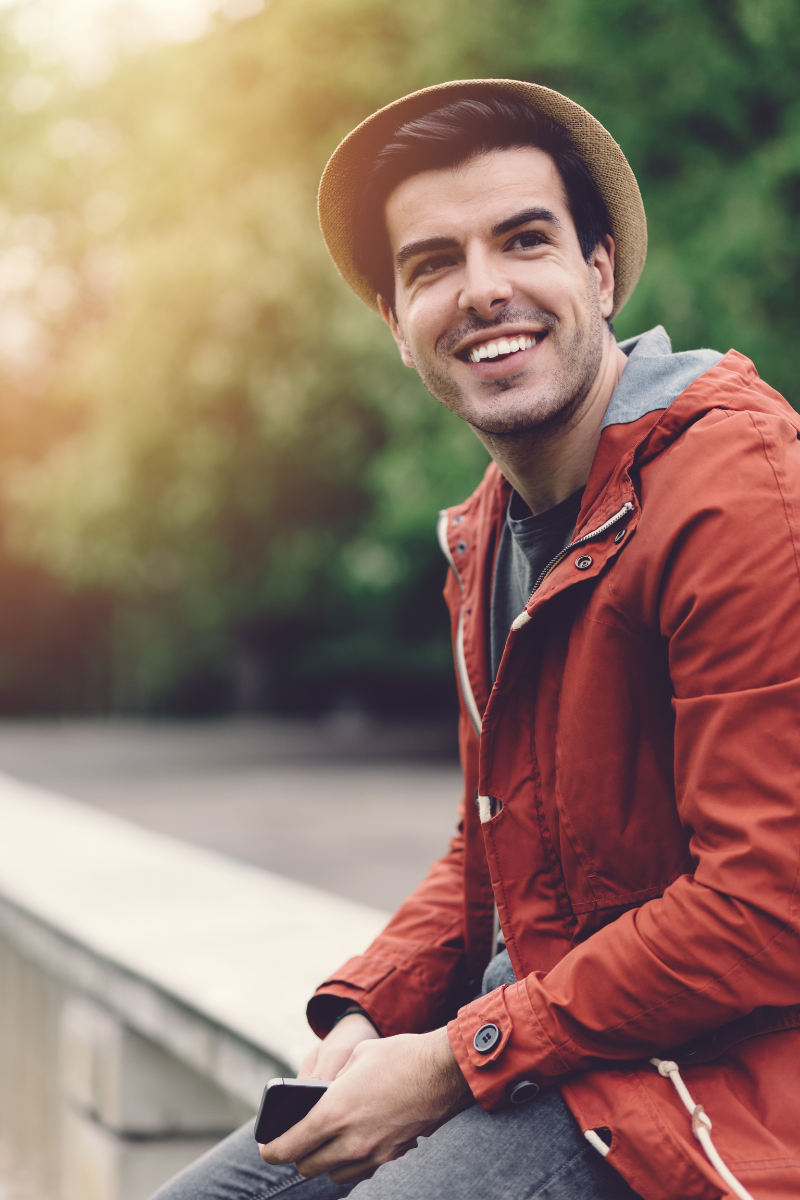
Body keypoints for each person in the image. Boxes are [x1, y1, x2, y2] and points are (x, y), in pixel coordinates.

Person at [153, 80, 800, 1200]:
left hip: (709, 1090)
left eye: (522, 239)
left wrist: (455, 1060)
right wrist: (369, 1009)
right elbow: (492, 851)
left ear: (597, 274)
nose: (482, 288)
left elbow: (766, 907)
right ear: (397, 327)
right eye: (431, 263)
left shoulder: (738, 494)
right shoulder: (491, 529)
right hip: (562, 1042)